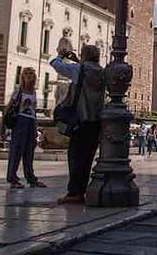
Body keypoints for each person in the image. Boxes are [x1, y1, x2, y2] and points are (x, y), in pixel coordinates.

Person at [51, 45, 104, 204]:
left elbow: (55, 64)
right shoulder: (102, 72)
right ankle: (81, 190)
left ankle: (75, 192)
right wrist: (79, 62)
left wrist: (61, 55)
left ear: (84, 55)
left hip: (80, 119)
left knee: (75, 156)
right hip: (96, 121)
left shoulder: (78, 70)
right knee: (87, 158)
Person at [4, 67, 43, 189]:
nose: (29, 76)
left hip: (31, 121)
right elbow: (9, 107)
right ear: (23, 76)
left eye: (31, 73)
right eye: (26, 73)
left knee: (29, 150)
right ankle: (12, 178)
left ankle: (31, 178)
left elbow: (34, 110)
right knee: (16, 150)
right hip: (20, 120)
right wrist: (4, 125)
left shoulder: (34, 92)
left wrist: (36, 124)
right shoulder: (18, 91)